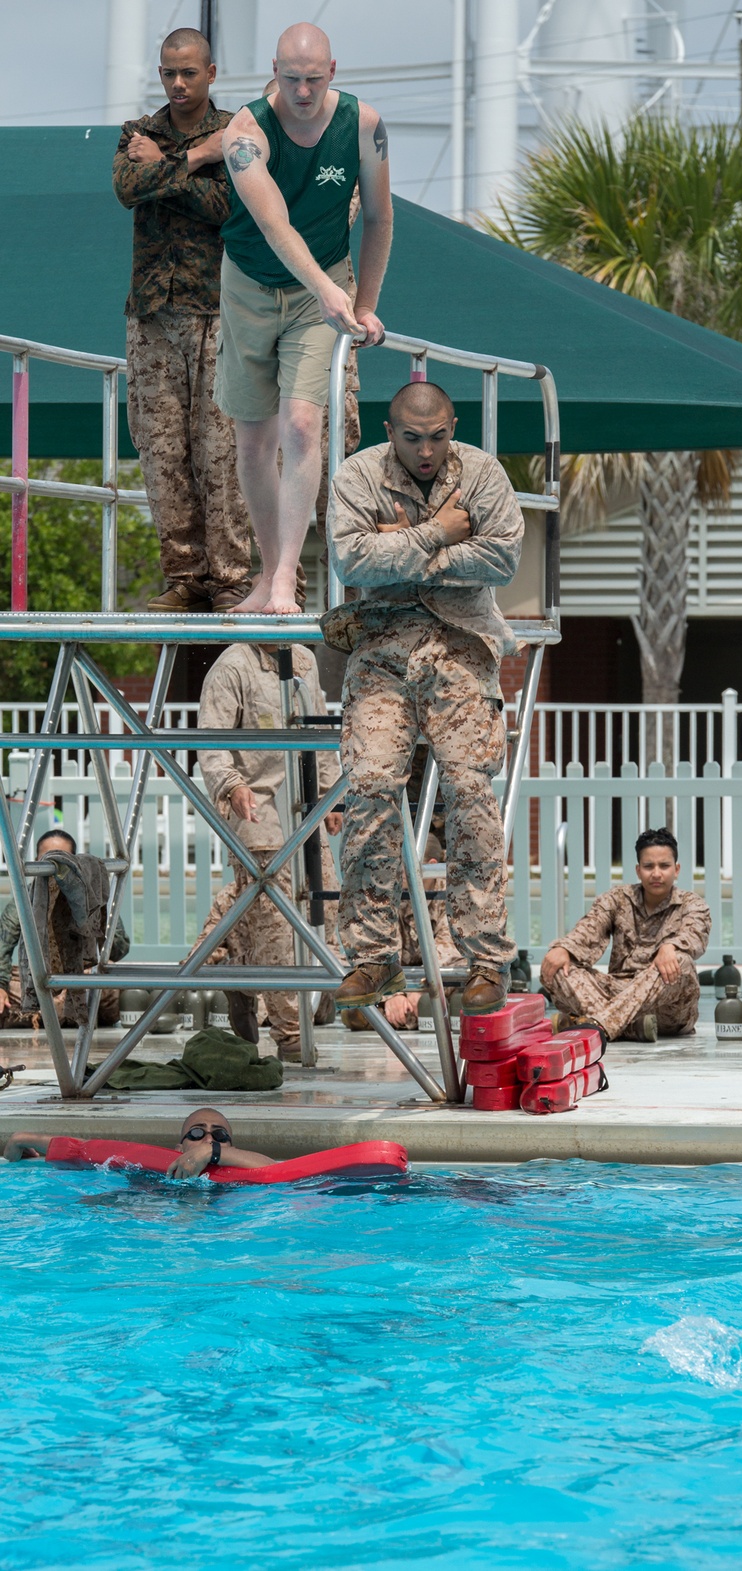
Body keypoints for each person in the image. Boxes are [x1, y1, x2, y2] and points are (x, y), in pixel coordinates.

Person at [326, 381, 523, 1018]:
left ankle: (486, 961)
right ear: (390, 432)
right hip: (381, 646)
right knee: (372, 786)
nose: (427, 451)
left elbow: (501, 557)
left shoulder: (484, 472)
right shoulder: (357, 476)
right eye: (413, 438)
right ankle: (372, 954)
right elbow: (351, 562)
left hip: (462, 642)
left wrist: (405, 548)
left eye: (438, 436)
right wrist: (438, 533)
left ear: (453, 426)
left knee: (471, 793)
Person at [215, 22, 393, 615]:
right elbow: (274, 226)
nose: (302, 91)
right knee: (253, 439)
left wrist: (361, 302)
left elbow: (378, 219)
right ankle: (268, 574)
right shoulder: (244, 134)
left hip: (325, 290)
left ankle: (288, 575)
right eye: (291, 79)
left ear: (333, 72)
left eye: (314, 79)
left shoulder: (363, 127)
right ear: (274, 71)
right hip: (249, 286)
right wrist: (327, 291)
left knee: (299, 425)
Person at [112, 27, 252, 614]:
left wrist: (167, 169)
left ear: (211, 72)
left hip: (217, 311)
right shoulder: (136, 132)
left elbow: (228, 205)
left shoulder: (237, 134)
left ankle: (232, 576)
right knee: (162, 448)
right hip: (153, 314)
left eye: (188, 72)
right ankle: (185, 574)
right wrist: (193, 164)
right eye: (169, 71)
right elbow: (126, 187)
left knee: (219, 448)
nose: (177, 82)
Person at [199, 643, 343, 1061]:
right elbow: (211, 737)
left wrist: (331, 793)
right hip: (261, 813)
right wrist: (230, 783)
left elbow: (318, 724)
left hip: (304, 808)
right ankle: (289, 1033)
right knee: (278, 928)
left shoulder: (303, 660)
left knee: (325, 911)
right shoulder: (233, 666)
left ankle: (239, 976)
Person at [540, 828, 711, 1043]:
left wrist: (671, 947)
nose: (656, 873)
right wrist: (564, 948)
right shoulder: (617, 898)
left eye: (664, 866)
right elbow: (590, 928)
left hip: (666, 1009)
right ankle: (629, 1028)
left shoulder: (692, 904)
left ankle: (597, 1024)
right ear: (638, 870)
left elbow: (694, 935)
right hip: (616, 991)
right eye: (649, 866)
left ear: (676, 870)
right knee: (558, 968)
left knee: (681, 962)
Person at [0, 830, 130, 1029]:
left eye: (62, 860)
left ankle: (51, 1012)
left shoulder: (93, 897)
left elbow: (119, 948)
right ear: (36, 862)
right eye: (47, 860)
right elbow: (2, 947)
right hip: (40, 977)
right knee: (10, 992)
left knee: (121, 991)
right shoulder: (24, 898)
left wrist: (96, 918)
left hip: (85, 975)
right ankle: (47, 1011)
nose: (55, 867)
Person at [340, 833, 461, 1031]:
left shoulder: (454, 892)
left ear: (430, 866)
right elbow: (380, 945)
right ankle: (406, 1014)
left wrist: (422, 988)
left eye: (402, 867)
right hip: (400, 978)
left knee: (457, 995)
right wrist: (393, 995)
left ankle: (414, 1013)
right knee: (354, 1012)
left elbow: (450, 949)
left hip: (437, 977)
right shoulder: (387, 888)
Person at [2, 1107, 274, 1180]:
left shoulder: (249, 1171)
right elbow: (88, 1150)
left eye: (220, 1136)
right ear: (178, 1148)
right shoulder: (150, 1164)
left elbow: (278, 1170)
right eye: (196, 1134)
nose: (208, 1138)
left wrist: (210, 1153)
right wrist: (20, 1139)